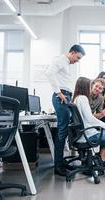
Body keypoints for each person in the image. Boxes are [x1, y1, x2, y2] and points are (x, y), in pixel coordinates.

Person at [45, 44, 85, 176]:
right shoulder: (61, 59)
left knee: (65, 131)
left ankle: (61, 162)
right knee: (62, 131)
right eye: (77, 58)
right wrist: (59, 93)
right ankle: (58, 166)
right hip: (61, 96)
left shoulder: (66, 63)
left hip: (65, 97)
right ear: (72, 52)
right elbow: (49, 73)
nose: (77, 61)